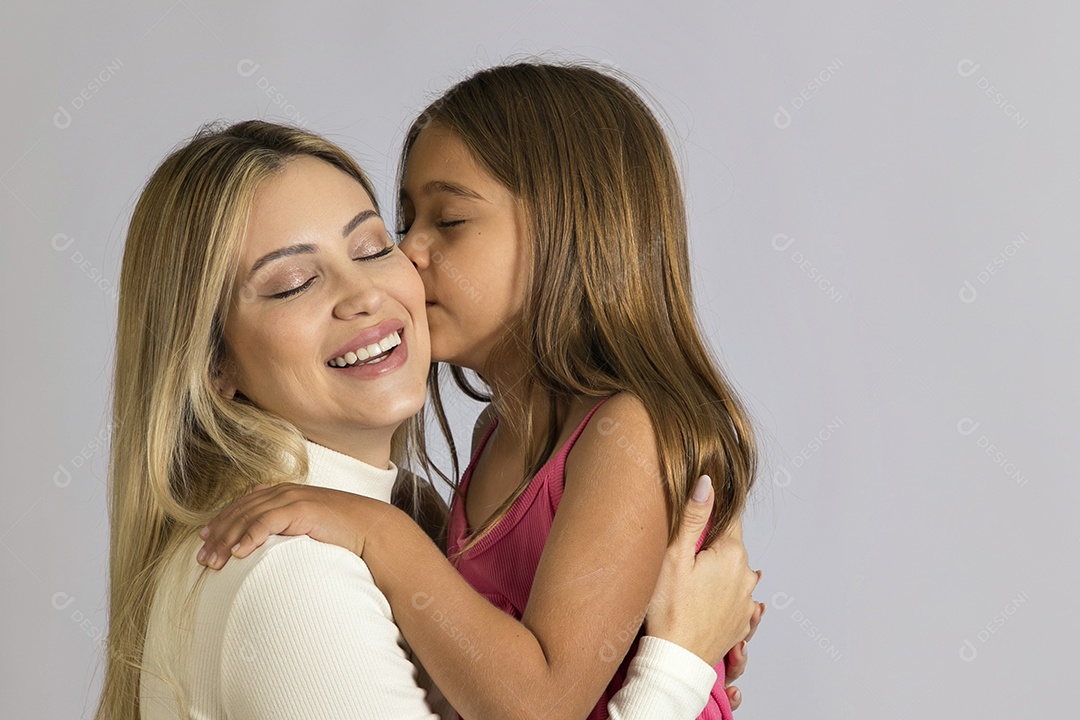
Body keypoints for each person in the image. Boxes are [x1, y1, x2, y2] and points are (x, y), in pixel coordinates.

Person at [94, 119, 760, 720]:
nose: (372, 289)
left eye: (372, 246)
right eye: (293, 282)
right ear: (214, 363)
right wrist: (677, 659)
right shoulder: (295, 571)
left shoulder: (365, 529)